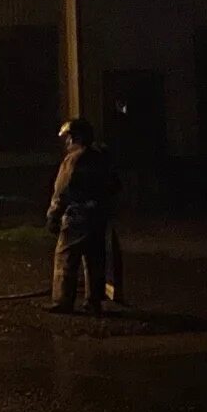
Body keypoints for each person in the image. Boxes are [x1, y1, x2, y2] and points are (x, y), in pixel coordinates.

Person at [45, 116, 120, 314]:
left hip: (76, 217)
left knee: (66, 258)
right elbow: (114, 185)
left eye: (68, 137)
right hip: (98, 216)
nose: (66, 142)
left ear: (75, 137)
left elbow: (62, 190)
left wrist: (53, 215)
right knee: (95, 260)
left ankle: (62, 301)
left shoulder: (73, 160)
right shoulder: (102, 157)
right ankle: (93, 301)